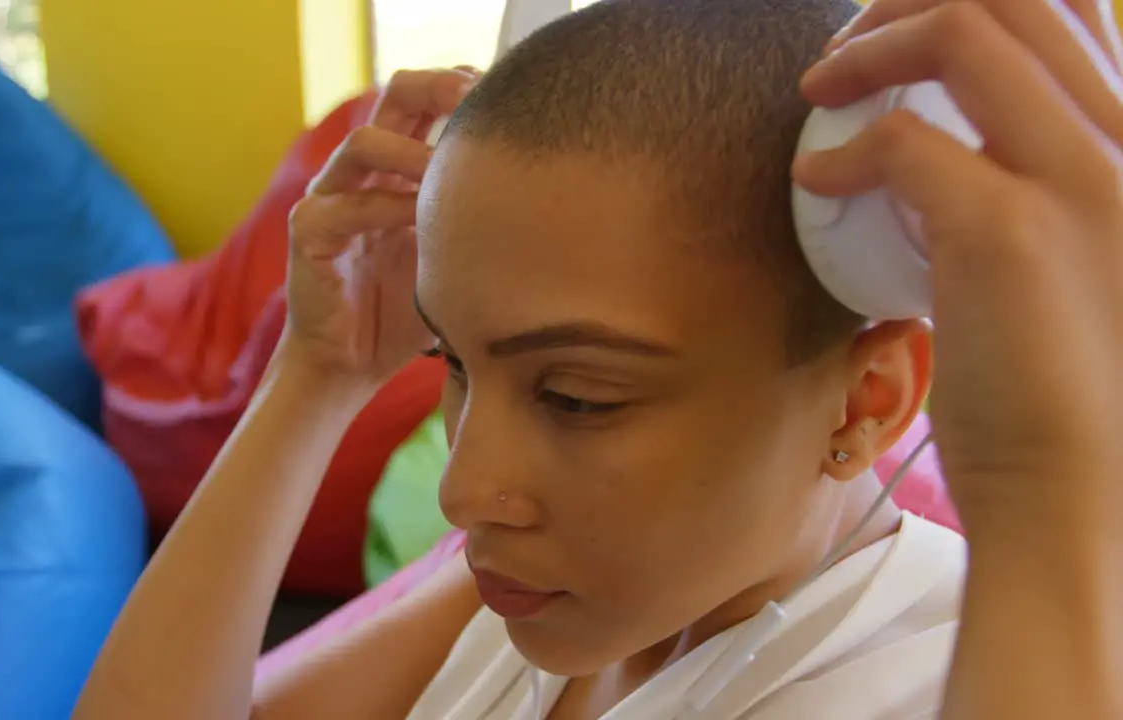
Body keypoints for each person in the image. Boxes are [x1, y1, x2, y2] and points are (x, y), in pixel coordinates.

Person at [74, 0, 1123, 717]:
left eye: (574, 398)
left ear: (867, 402)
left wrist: (1044, 487)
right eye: (449, 361)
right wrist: (315, 374)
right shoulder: (542, 594)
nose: (462, 491)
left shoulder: (920, 676)